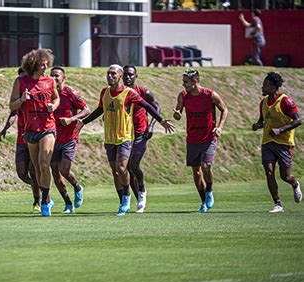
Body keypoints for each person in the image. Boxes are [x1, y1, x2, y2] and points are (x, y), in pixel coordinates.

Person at [76, 64, 175, 216]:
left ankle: (127, 197)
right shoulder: (105, 92)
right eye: (108, 74)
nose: (110, 76)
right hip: (110, 138)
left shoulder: (130, 93)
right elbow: (100, 110)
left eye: (113, 74)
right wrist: (83, 122)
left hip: (125, 138)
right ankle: (123, 199)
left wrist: (160, 121)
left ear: (119, 76)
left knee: (123, 168)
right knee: (116, 172)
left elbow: (148, 106)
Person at [9, 48, 60, 217]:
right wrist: (22, 100)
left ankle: (45, 201)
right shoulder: (20, 81)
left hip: (48, 127)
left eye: (46, 65)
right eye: (42, 65)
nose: (45, 68)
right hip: (30, 130)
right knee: (37, 168)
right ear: (33, 65)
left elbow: (56, 97)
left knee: (44, 162)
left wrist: (54, 105)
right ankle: (45, 197)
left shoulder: (50, 81)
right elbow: (12, 106)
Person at [172, 69, 228, 213]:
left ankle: (209, 191)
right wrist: (177, 114)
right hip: (192, 138)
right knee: (196, 172)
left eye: (186, 81)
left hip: (208, 137)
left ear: (195, 82)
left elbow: (225, 110)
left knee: (206, 166)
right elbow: (178, 112)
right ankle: (203, 201)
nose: (183, 84)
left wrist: (220, 127)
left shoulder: (210, 95)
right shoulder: (183, 95)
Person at [251, 72, 302, 213]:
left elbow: (298, 120)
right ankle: (278, 204)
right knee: (268, 171)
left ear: (274, 87)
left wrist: (281, 130)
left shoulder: (286, 101)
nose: (262, 88)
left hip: (284, 143)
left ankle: (295, 183)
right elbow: (263, 121)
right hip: (267, 142)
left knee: (285, 176)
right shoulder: (263, 103)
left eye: (265, 85)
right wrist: (257, 125)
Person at [0, 68, 41, 213]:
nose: (22, 78)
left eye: (24, 75)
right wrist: (5, 128)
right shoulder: (21, 97)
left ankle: (38, 199)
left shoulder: (35, 93)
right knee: (22, 173)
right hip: (22, 140)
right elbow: (13, 112)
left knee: (34, 171)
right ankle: (40, 187)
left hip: (35, 137)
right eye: (20, 75)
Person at [50, 66, 91, 214]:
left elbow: (87, 110)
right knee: (55, 171)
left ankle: (77, 187)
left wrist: (71, 119)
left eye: (57, 76)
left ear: (63, 78)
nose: (54, 79)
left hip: (69, 138)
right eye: (52, 76)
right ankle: (67, 203)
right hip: (52, 139)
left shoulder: (70, 93)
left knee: (64, 169)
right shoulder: (48, 94)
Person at [123, 65, 160, 213]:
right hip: (124, 135)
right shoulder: (118, 92)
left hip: (140, 134)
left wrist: (151, 126)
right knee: (126, 168)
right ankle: (138, 197)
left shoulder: (143, 92)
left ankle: (142, 189)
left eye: (131, 75)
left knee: (133, 164)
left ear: (136, 76)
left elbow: (156, 107)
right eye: (125, 74)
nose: (128, 77)